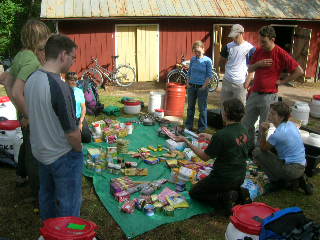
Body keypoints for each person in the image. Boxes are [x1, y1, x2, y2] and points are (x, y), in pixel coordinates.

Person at [25, 34, 83, 221]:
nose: (73, 62)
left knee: (47, 198)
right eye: (73, 57)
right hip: (61, 155)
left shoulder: (32, 79)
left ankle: (49, 231)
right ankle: (66, 234)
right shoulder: (59, 85)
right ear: (63, 55)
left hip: (42, 153)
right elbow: (72, 133)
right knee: (68, 203)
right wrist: (79, 149)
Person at [0, 20, 51, 195]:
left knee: (27, 143)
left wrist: (19, 108)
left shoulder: (21, 55)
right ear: (39, 39)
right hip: (30, 112)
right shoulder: (31, 61)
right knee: (34, 152)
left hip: (23, 110)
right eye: (46, 38)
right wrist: (28, 114)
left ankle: (21, 175)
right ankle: (38, 190)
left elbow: (5, 78)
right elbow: (15, 90)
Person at [176, 98, 251, 215]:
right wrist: (209, 136)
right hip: (240, 175)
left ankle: (225, 199)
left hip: (223, 177)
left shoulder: (222, 135)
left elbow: (205, 157)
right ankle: (236, 192)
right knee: (215, 186)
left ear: (225, 113)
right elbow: (231, 142)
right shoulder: (244, 129)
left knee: (195, 192)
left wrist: (187, 142)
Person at [242, 25, 304, 151]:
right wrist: (258, 64)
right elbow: (249, 69)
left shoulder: (280, 53)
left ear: (272, 39)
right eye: (260, 41)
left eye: (264, 41)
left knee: (263, 126)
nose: (262, 44)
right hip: (254, 93)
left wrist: (283, 81)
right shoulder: (259, 51)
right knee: (246, 123)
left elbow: (299, 71)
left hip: (269, 96)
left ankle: (258, 153)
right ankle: (247, 148)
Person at [253, 102, 313, 195]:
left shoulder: (278, 134)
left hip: (291, 169)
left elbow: (263, 148)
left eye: (273, 114)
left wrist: (264, 131)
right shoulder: (291, 125)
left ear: (281, 117)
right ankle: (297, 178)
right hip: (302, 164)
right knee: (273, 150)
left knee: (257, 152)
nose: (269, 115)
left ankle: (277, 181)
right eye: (270, 112)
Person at [220, 24, 256, 105]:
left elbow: (252, 67)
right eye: (233, 36)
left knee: (240, 108)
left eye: (236, 36)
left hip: (241, 83)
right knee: (224, 106)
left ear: (242, 33)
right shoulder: (227, 47)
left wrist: (247, 82)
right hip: (227, 81)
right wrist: (225, 72)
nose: (234, 38)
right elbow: (221, 61)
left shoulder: (250, 48)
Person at [185, 40, 213, 133]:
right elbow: (189, 72)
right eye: (195, 51)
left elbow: (209, 75)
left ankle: (202, 129)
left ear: (203, 49)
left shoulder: (207, 61)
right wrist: (188, 83)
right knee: (190, 107)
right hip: (192, 87)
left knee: (202, 108)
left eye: (198, 51)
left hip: (202, 87)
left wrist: (204, 86)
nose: (197, 53)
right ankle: (189, 126)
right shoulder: (193, 59)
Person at [65, 72, 91, 143]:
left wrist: (80, 122)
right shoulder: (62, 91)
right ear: (66, 80)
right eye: (71, 79)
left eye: (75, 79)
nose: (73, 81)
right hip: (67, 119)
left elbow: (83, 108)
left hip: (78, 117)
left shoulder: (79, 91)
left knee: (87, 138)